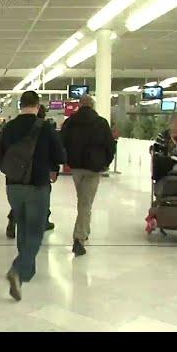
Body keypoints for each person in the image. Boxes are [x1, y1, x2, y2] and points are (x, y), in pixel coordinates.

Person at [0, 91, 65, 301]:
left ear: (20, 105)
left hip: (13, 186)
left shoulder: (8, 127)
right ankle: (18, 270)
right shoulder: (45, 126)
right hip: (37, 185)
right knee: (36, 232)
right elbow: (60, 154)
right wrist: (53, 166)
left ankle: (27, 271)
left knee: (23, 226)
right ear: (37, 106)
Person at [60, 95, 115, 257]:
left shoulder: (70, 122)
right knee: (86, 202)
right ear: (92, 106)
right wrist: (106, 162)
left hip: (76, 167)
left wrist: (67, 160)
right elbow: (110, 146)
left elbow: (61, 142)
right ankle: (79, 238)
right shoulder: (101, 123)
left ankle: (85, 230)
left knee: (84, 200)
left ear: (80, 105)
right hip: (93, 168)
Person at [5, 104, 56, 238]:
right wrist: (54, 168)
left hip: (16, 172)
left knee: (20, 199)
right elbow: (56, 151)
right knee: (41, 198)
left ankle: (13, 218)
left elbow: (2, 148)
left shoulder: (12, 125)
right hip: (39, 173)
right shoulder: (46, 127)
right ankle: (41, 223)